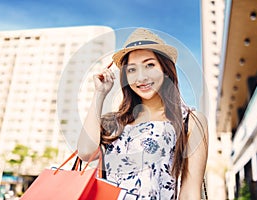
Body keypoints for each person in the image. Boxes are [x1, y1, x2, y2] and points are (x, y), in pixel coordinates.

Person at [77, 28, 208, 199]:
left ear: (165, 69)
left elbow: (190, 192)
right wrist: (99, 94)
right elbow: (85, 153)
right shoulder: (114, 122)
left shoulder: (190, 120)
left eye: (149, 65)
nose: (141, 77)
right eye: (132, 69)